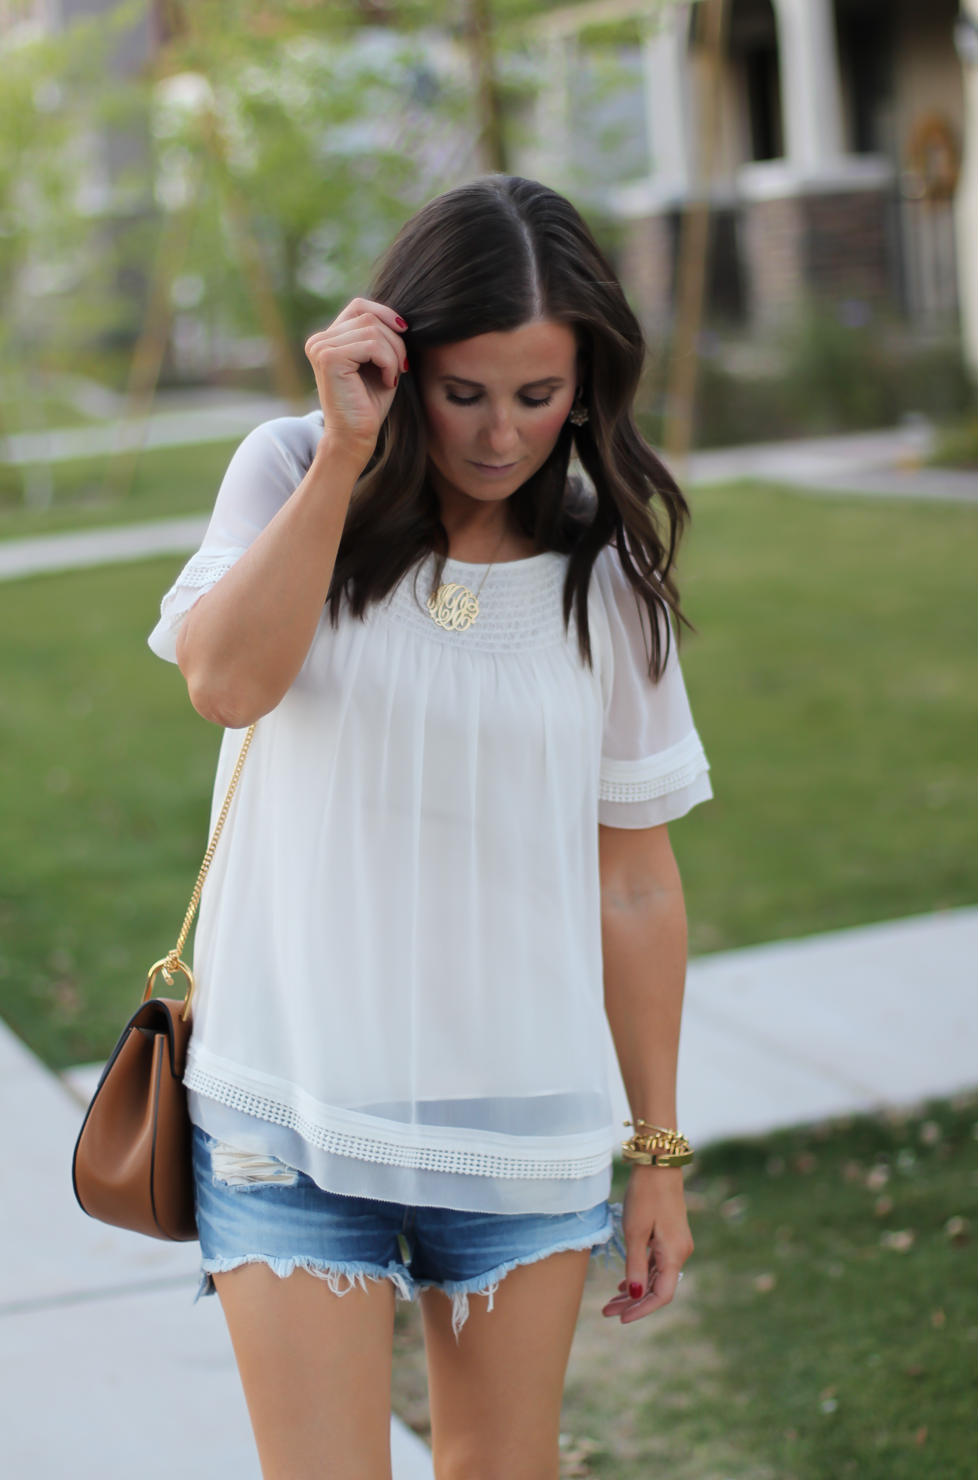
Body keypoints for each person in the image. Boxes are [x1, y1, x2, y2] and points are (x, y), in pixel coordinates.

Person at [149, 175, 711, 1480]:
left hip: (524, 1122)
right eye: (466, 392)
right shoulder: (293, 471)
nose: (502, 435)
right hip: (287, 1112)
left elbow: (633, 885)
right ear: (399, 361)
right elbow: (226, 683)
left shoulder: (601, 571)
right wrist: (346, 455)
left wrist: (659, 1158)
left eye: (539, 395)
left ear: (587, 384)